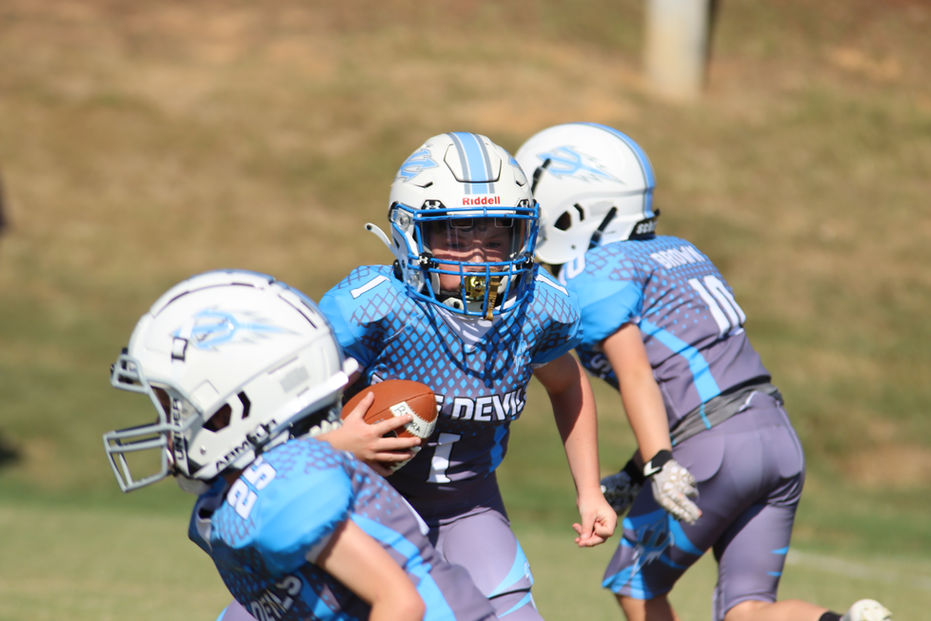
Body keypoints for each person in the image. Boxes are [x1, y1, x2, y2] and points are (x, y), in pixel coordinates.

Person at [514, 122, 892, 621]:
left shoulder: (598, 270)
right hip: (775, 436)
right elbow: (690, 383)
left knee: (636, 587)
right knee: (747, 608)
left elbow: (639, 376)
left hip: (713, 447)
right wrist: (633, 473)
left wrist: (657, 463)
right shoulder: (678, 251)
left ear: (572, 209)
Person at [316, 131, 617, 620]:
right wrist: (335, 444)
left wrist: (589, 490)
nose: (479, 261)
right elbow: (283, 413)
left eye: (497, 240)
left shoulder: (537, 306)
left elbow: (567, 384)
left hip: (467, 507)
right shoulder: (372, 307)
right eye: (456, 239)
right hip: (359, 503)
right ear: (410, 234)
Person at [102, 269, 498, 621]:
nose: (165, 426)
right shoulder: (235, 496)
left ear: (233, 407)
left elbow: (400, 603)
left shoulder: (283, 488)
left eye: (174, 406)